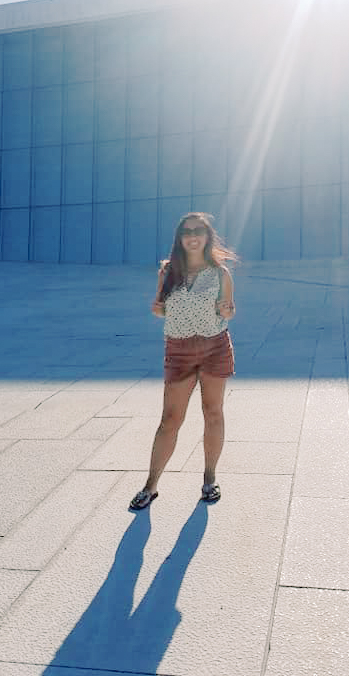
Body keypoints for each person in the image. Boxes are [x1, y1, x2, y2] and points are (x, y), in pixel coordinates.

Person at [129, 212, 236, 511]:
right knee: (169, 420)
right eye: (187, 231)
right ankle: (150, 486)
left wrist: (227, 310)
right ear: (179, 238)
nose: (192, 236)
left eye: (198, 231)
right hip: (179, 351)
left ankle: (209, 479)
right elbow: (161, 309)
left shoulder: (221, 274)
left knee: (213, 412)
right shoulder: (167, 272)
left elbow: (228, 311)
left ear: (207, 236)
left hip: (215, 347)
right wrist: (157, 309)